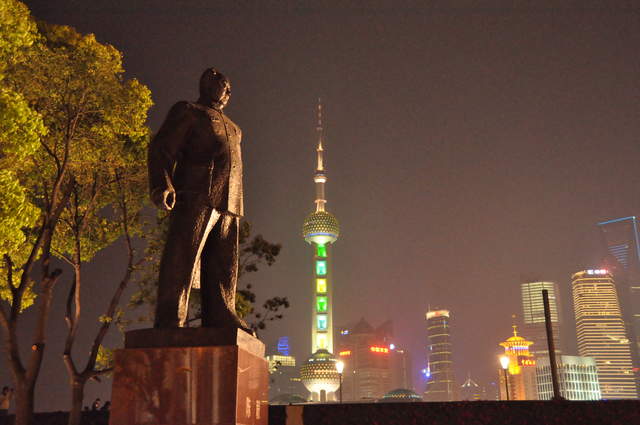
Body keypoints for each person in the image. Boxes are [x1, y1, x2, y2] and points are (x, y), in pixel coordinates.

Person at [148, 67, 248, 331]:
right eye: (224, 86)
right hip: (197, 195)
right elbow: (162, 148)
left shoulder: (234, 128)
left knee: (224, 263)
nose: (228, 92)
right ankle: (171, 316)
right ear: (208, 84)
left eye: (230, 89)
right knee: (182, 257)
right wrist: (163, 184)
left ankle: (221, 313)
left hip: (230, 200)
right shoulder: (189, 112)